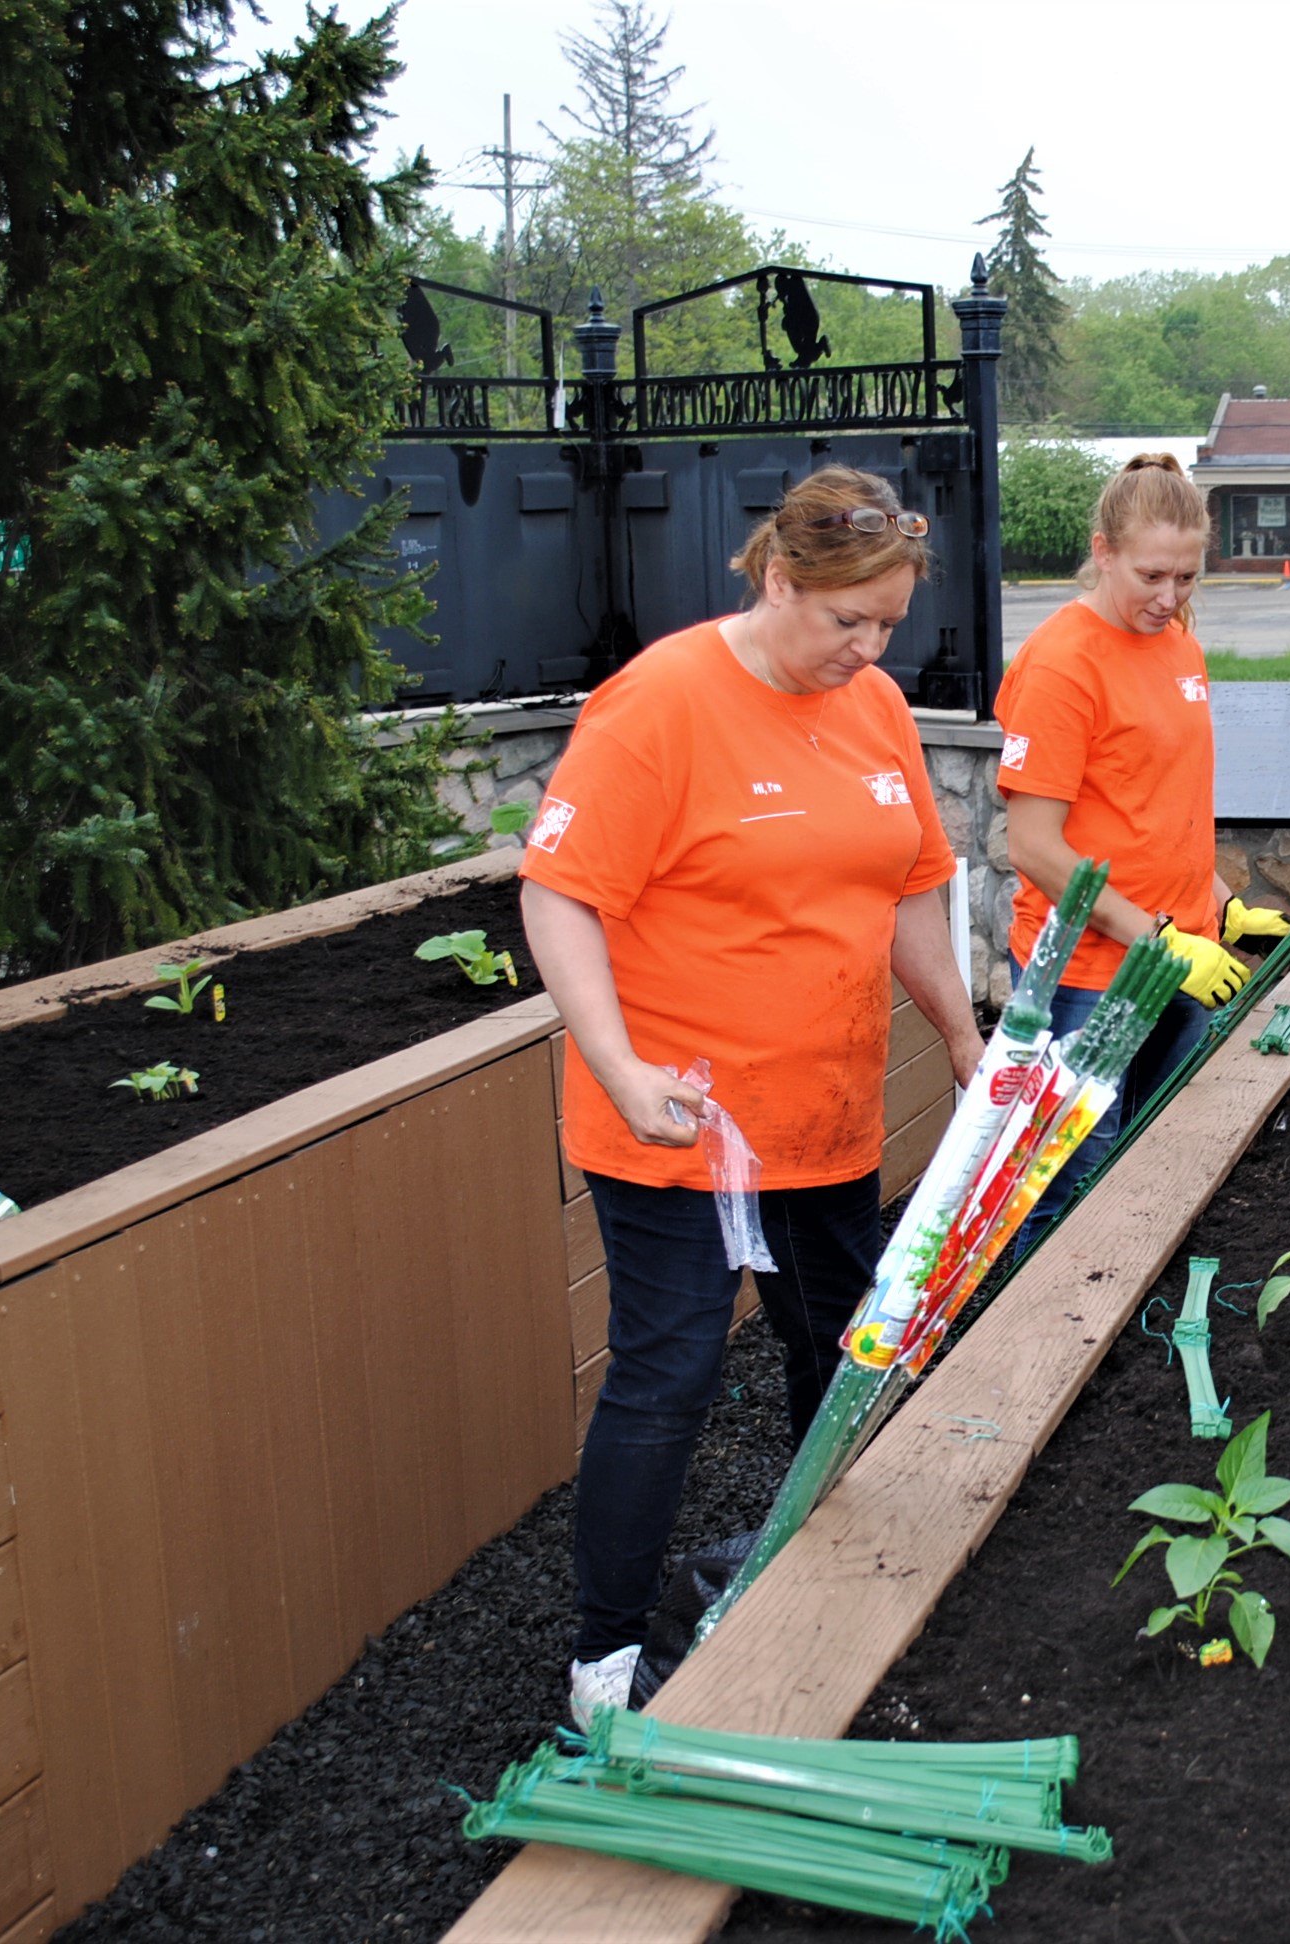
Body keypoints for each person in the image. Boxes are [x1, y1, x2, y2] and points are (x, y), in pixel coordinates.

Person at [519, 466, 985, 1719]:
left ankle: (816, 1579)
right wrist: (618, 1067)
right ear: (780, 580)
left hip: (824, 1116)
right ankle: (606, 1657)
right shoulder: (660, 704)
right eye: (847, 620)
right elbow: (557, 896)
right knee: (668, 1372)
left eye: (890, 624)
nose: (871, 648)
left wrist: (960, 1031)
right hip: (680, 1122)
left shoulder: (876, 706)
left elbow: (907, 890)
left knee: (832, 1353)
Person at [993, 455, 1290, 1243]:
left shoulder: (1177, 644)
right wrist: (1160, 941)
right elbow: (1035, 848)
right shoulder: (1061, 666)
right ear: (1103, 552)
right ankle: (1032, 1350)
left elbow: (1162, 808)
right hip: (1093, 977)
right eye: (1151, 576)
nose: (1169, 598)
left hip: (1180, 953)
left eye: (1187, 578)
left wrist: (1226, 908)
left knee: (1148, 1156)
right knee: (1067, 1182)